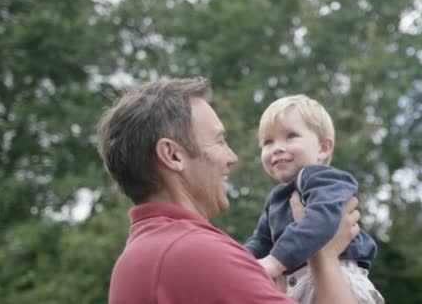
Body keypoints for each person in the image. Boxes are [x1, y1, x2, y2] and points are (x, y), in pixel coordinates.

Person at [96, 77, 361, 304]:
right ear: (173, 155)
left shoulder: (138, 258)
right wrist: (324, 257)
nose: (232, 157)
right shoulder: (196, 254)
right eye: (219, 141)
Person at [244, 95, 384, 304]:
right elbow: (261, 242)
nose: (277, 148)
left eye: (290, 136)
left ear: (323, 148)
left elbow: (322, 220)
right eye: (268, 142)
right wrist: (237, 261)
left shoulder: (323, 178)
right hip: (296, 284)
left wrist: (275, 262)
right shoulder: (277, 197)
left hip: (342, 275)